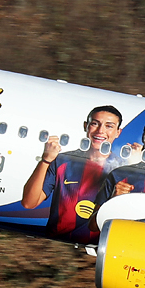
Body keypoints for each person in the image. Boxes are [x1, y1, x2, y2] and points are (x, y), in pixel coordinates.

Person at [20, 104, 123, 244]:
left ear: (118, 132)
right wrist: (46, 160)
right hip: (56, 245)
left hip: (92, 251)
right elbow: (29, 203)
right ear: (86, 126)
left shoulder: (122, 171)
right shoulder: (62, 161)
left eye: (109, 126)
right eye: (95, 124)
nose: (100, 131)